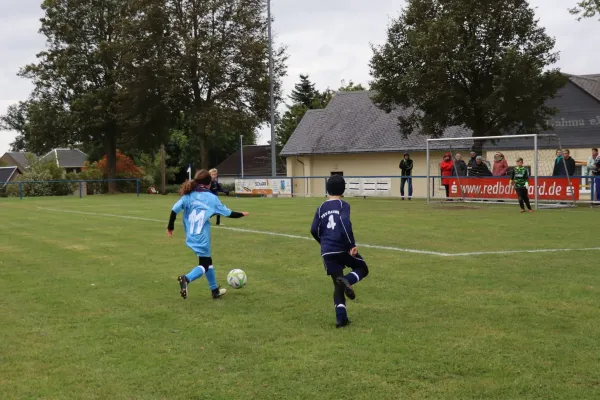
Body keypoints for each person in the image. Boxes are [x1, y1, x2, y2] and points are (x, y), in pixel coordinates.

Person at [167, 170, 248, 300]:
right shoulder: (212, 198)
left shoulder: (188, 195)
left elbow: (174, 210)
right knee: (204, 264)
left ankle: (214, 290)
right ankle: (186, 278)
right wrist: (241, 214)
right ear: (209, 183)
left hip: (191, 235)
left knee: (207, 261)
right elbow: (228, 213)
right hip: (202, 237)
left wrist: (170, 226)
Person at [310, 175, 369, 328]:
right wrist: (351, 244)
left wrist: (323, 243)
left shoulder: (321, 207)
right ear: (343, 190)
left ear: (327, 189)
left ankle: (341, 318)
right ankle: (349, 279)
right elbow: (344, 223)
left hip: (327, 251)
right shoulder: (343, 205)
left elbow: (313, 229)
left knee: (337, 284)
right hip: (341, 246)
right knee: (362, 268)